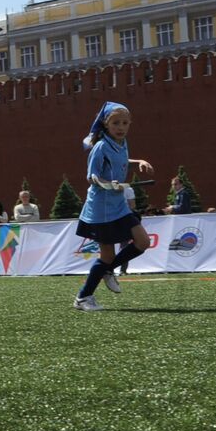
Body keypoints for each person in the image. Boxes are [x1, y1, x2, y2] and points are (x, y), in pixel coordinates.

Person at [73, 101, 154, 311]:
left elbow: (121, 159)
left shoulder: (121, 142)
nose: (121, 127)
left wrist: (139, 161)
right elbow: (92, 177)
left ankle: (109, 270)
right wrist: (110, 185)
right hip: (101, 209)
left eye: (125, 123)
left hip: (118, 206)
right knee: (107, 256)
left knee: (143, 242)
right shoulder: (99, 146)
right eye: (116, 123)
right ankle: (83, 297)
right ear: (106, 125)